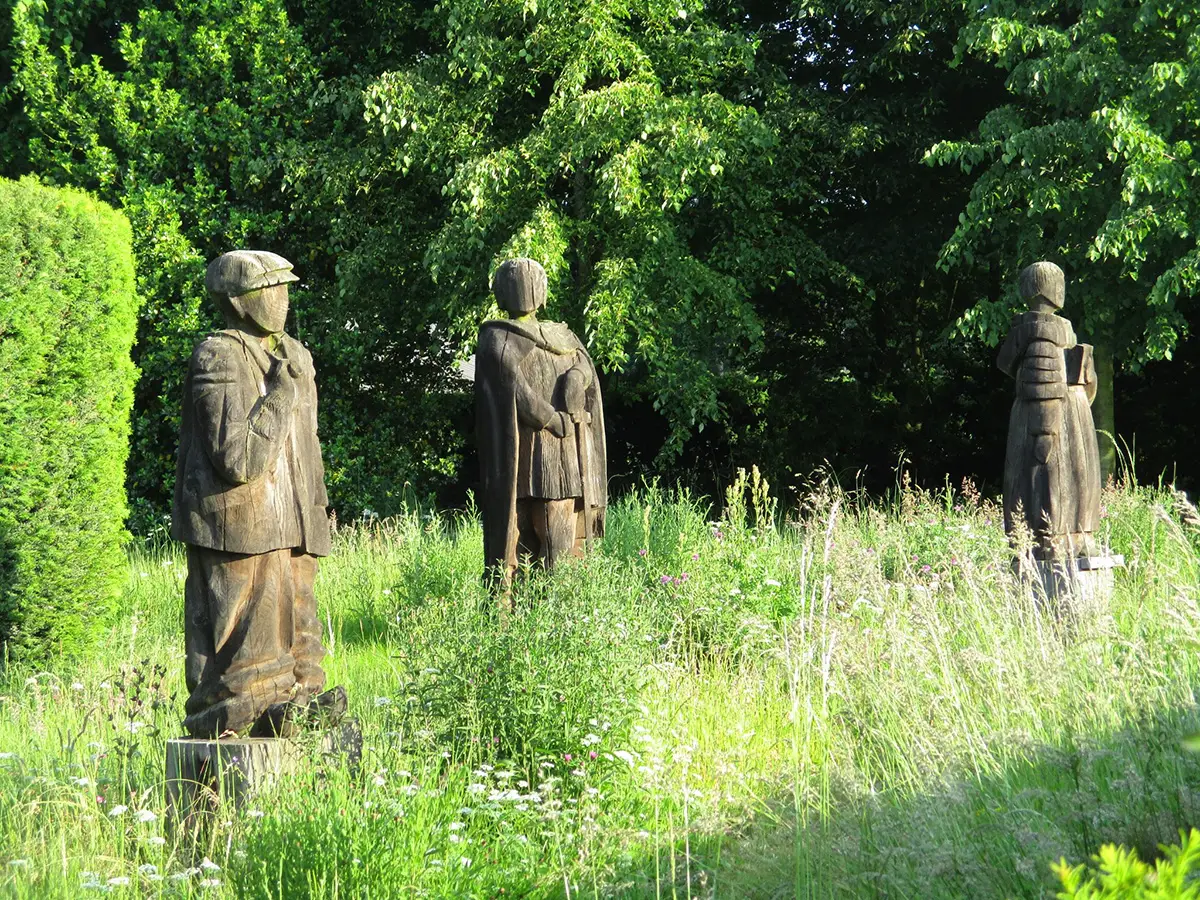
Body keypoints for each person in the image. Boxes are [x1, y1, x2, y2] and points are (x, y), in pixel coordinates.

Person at [172, 250, 345, 738]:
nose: (284, 301)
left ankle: (301, 704)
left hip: (293, 520)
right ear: (240, 302)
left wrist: (315, 513)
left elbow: (306, 447)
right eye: (273, 291)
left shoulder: (296, 356)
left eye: (286, 290)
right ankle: (243, 714)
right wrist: (279, 396)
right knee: (246, 632)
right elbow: (236, 459)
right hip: (240, 524)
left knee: (301, 625)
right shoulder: (219, 355)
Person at [475, 257, 607, 587]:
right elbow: (515, 389)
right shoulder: (497, 339)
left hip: (563, 461)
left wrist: (577, 377)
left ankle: (557, 617)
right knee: (519, 546)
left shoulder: (562, 335)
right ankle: (522, 619)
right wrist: (551, 419)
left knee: (560, 546)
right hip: (524, 458)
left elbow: (585, 367)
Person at [997, 261, 1101, 560]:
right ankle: (1051, 538)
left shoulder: (1027, 330)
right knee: (1056, 473)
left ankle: (1071, 537)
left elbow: (1006, 364)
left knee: (1074, 474)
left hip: (1065, 412)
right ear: (1050, 289)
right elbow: (1040, 384)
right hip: (1059, 415)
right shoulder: (1048, 330)